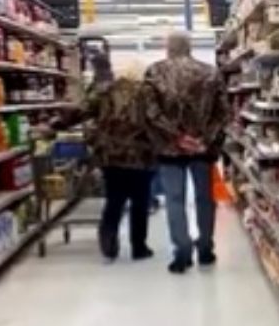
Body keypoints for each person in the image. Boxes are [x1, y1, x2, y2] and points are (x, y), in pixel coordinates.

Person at [44, 54, 155, 261]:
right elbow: (159, 120)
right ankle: (139, 247)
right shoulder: (148, 94)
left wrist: (55, 126)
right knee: (140, 202)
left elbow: (80, 112)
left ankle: (109, 236)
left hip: (110, 154)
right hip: (142, 154)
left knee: (115, 198)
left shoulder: (104, 92)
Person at [142, 31, 230, 274]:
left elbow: (150, 112)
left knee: (175, 200)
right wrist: (203, 139)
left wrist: (177, 136)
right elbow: (223, 112)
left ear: (168, 48)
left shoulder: (154, 72)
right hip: (202, 148)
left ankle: (182, 251)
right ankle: (205, 249)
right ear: (190, 47)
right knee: (205, 198)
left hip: (169, 148)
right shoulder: (210, 73)